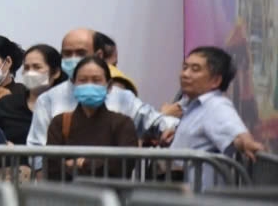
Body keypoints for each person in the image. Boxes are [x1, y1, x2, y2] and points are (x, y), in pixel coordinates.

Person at [28, 28, 178, 146]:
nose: (73, 59)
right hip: (63, 183)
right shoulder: (48, 100)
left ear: (99, 55)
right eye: (67, 54)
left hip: (112, 182)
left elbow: (157, 123)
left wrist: (174, 130)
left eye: (80, 53)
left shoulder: (122, 98)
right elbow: (37, 149)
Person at [168, 46, 264, 186]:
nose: (185, 74)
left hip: (204, 198)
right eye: (184, 67)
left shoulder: (216, 105)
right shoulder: (192, 104)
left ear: (216, 81)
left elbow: (237, 134)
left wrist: (246, 142)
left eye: (195, 69)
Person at [45, 56, 137, 180]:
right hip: (67, 196)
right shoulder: (60, 122)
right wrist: (99, 164)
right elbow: (53, 169)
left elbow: (121, 168)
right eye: (82, 80)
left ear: (109, 85)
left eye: (96, 80)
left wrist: (81, 163)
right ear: (74, 84)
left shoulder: (123, 123)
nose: (89, 85)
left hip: (110, 197)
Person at [0, 44, 65, 145]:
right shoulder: (6, 104)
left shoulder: (67, 106)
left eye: (37, 67)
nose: (30, 72)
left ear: (55, 72)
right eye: (26, 67)